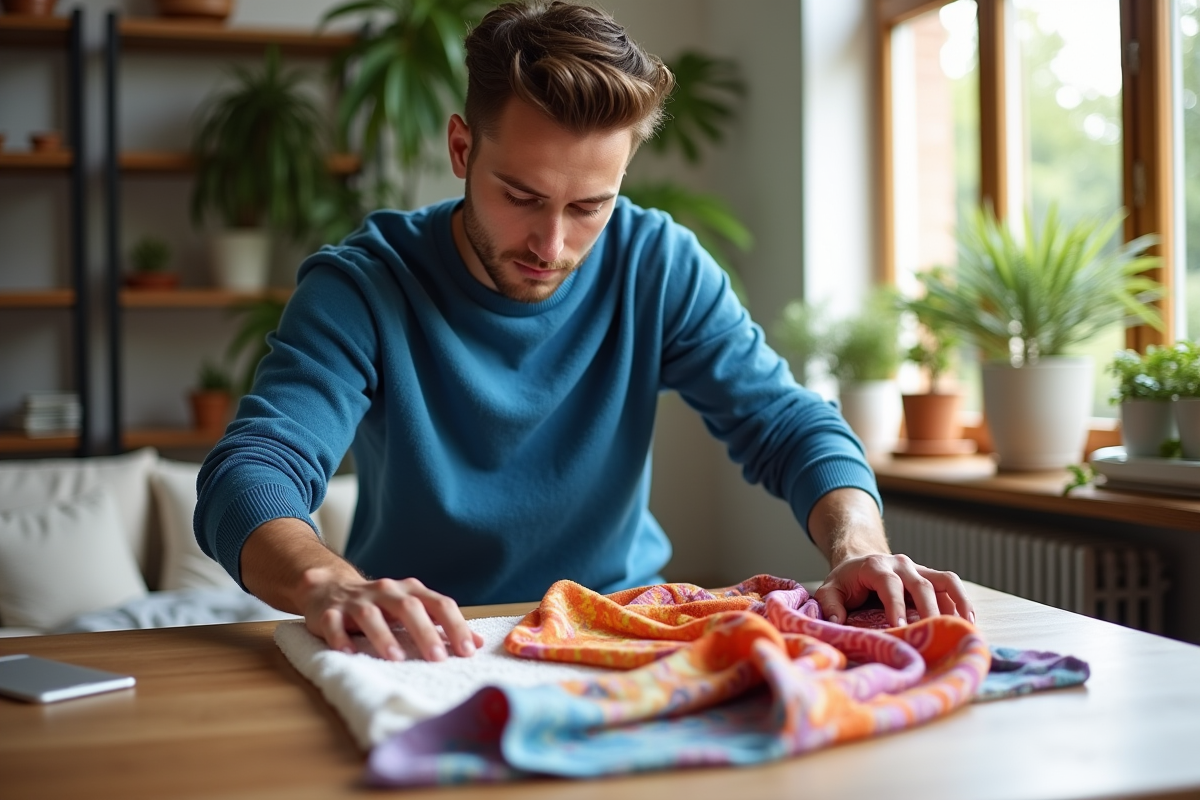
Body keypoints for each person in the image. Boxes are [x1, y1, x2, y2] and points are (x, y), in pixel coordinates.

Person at [195, 0, 973, 665]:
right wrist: (328, 581)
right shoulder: (364, 283)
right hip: (430, 645)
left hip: (625, 634)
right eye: (521, 196)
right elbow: (253, 472)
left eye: (589, 207)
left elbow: (787, 422)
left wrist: (858, 545)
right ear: (462, 148)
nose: (552, 245)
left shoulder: (657, 262)